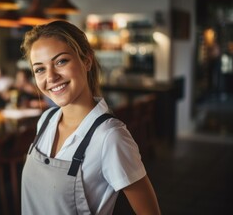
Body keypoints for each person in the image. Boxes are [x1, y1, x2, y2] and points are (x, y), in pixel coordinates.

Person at [20, 21, 161, 214]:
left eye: (61, 61)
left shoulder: (110, 136)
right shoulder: (46, 120)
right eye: (40, 69)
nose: (51, 77)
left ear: (86, 60)